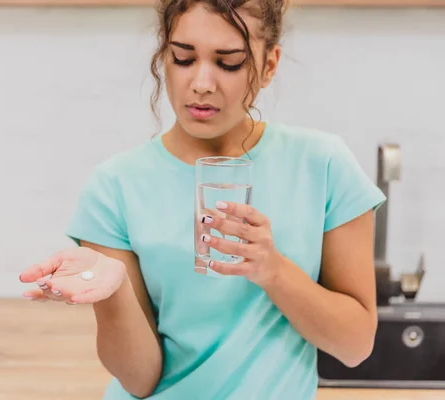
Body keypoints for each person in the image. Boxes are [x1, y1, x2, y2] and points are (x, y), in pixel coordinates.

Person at [19, 1, 386, 399]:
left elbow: (355, 345)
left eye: (228, 63)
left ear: (269, 65)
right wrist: (114, 290)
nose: (201, 83)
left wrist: (273, 269)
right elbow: (140, 379)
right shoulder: (115, 186)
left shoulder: (323, 165)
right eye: (183, 58)